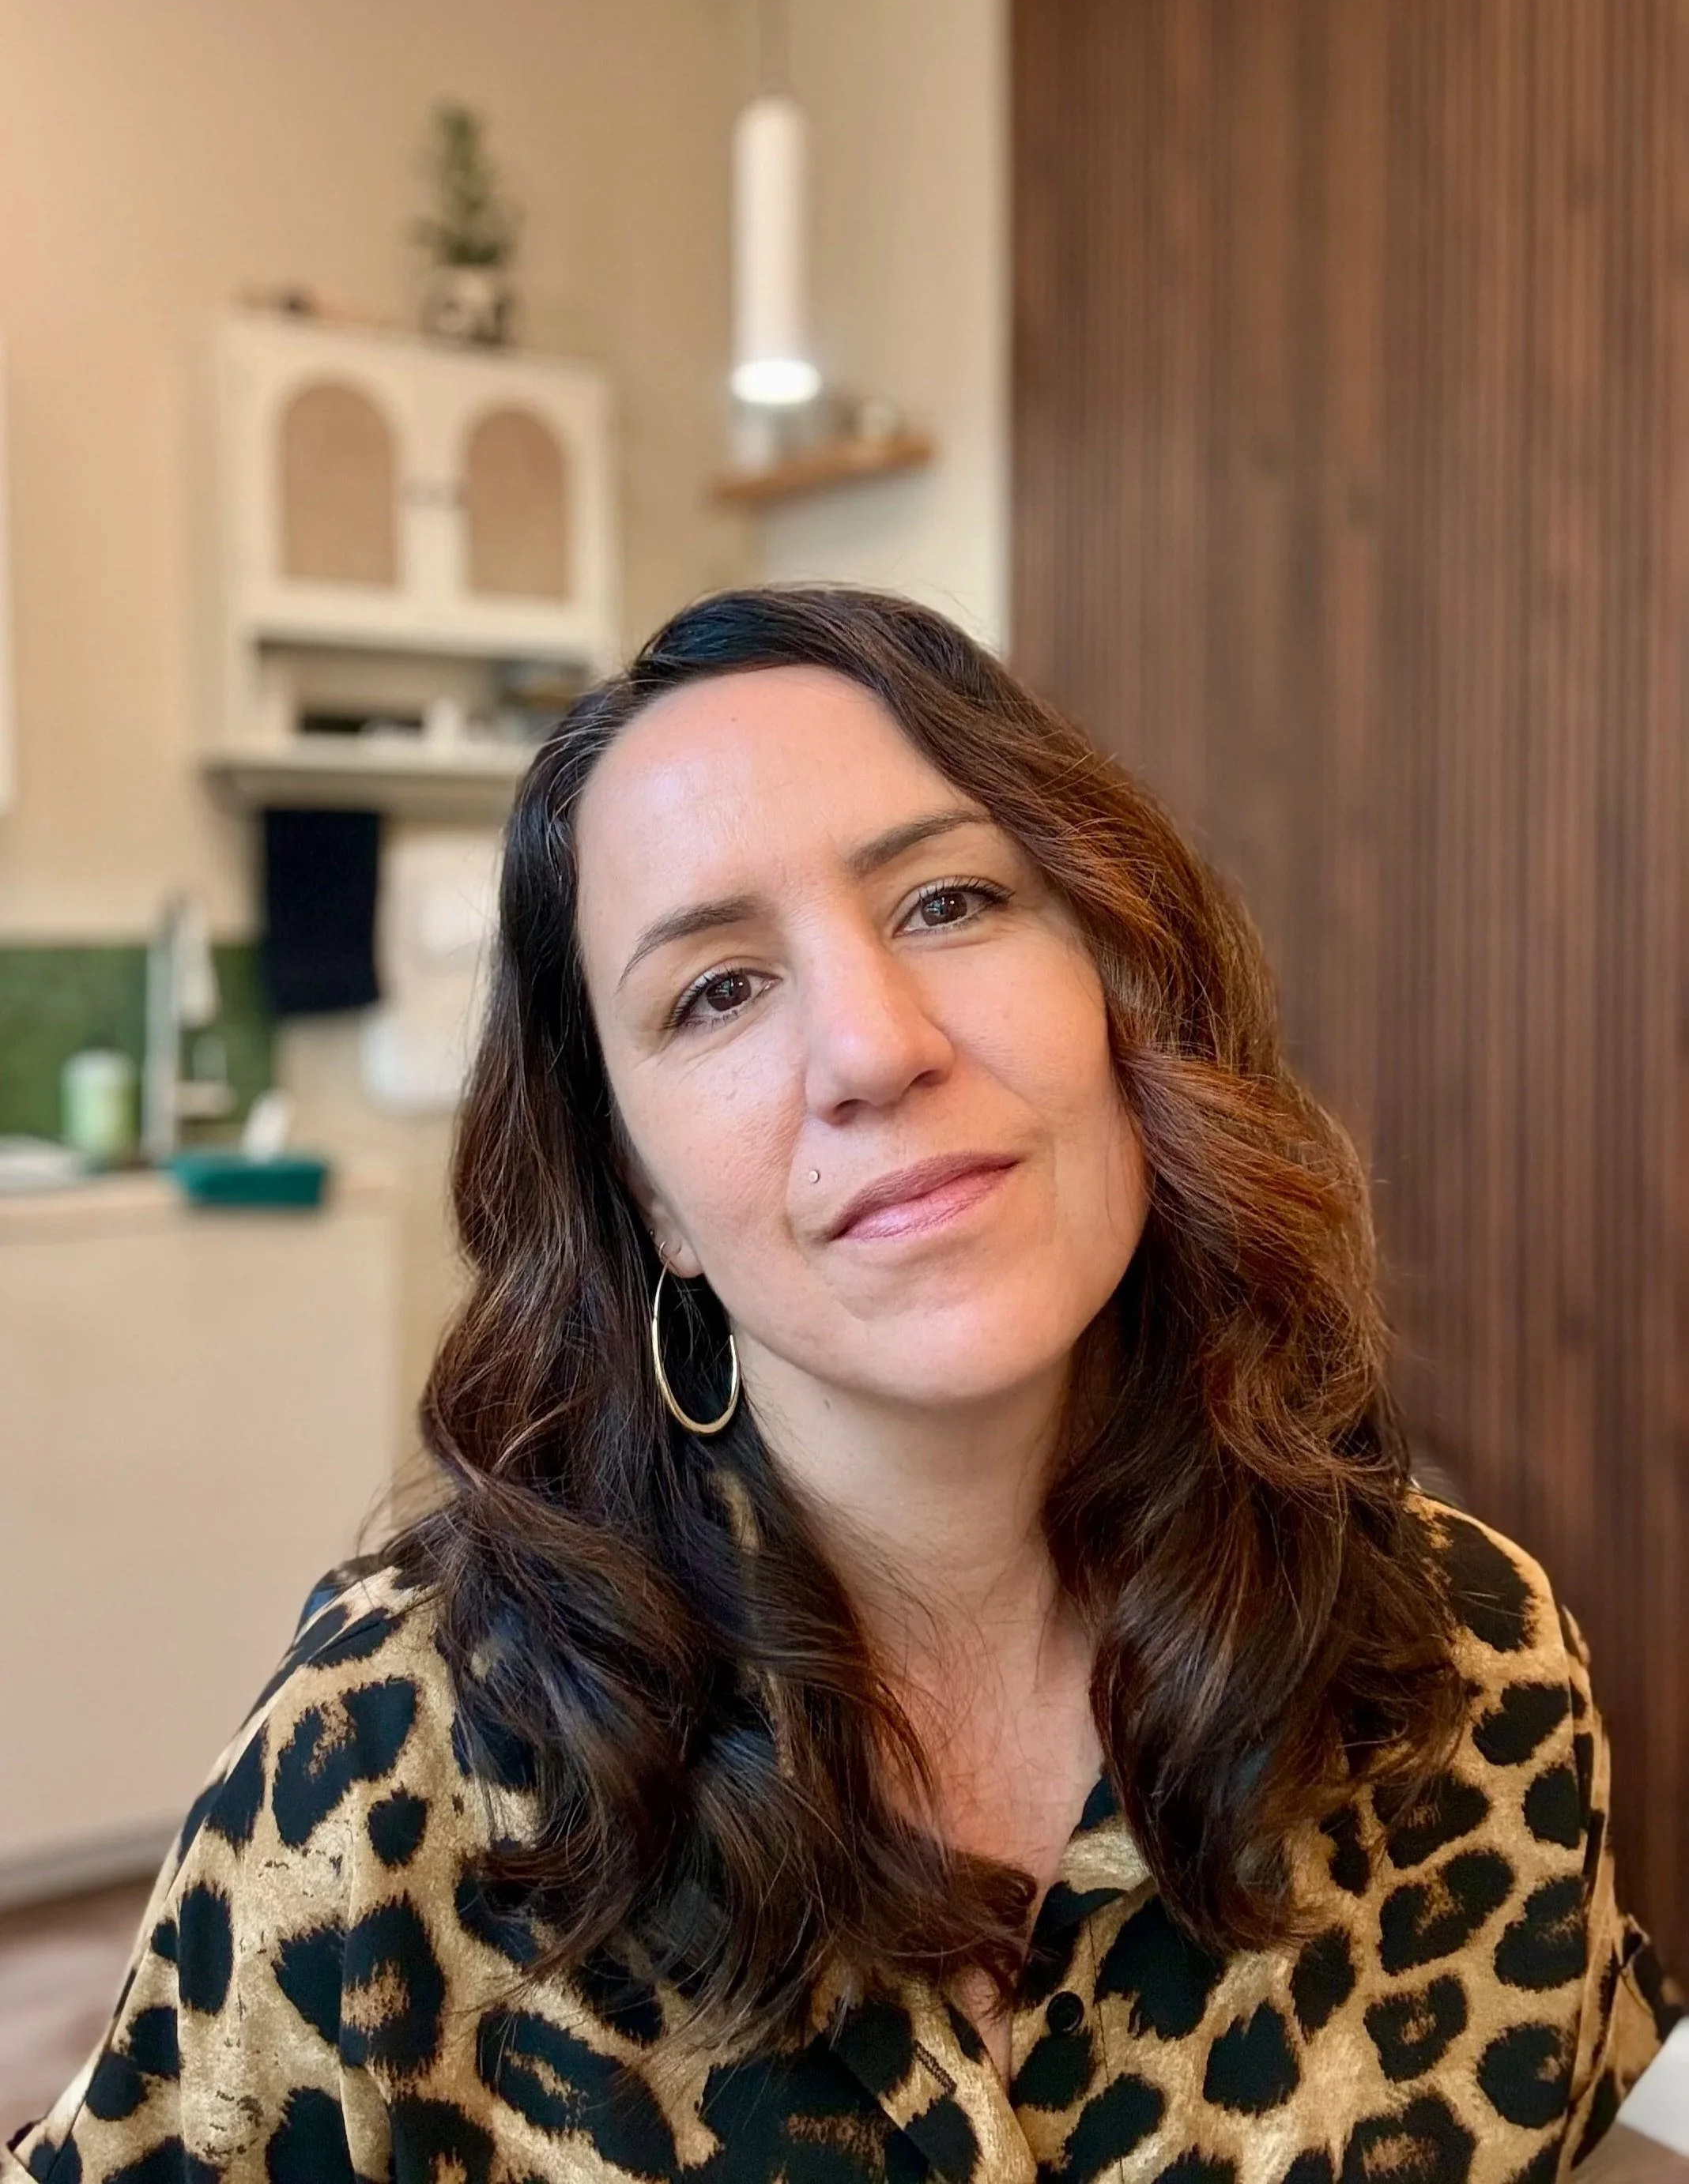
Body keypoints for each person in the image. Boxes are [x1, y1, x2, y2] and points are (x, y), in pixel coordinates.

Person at [9, 586, 1680, 2184]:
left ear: (1122, 981)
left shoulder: (1460, 1661)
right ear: (647, 1193)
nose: (875, 1046)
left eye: (948, 902)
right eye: (717, 990)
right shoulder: (398, 1752)